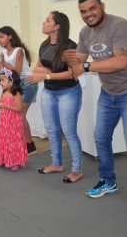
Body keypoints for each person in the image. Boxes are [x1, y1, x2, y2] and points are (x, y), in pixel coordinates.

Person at [64, 0, 127, 215]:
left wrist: (84, 67)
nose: (88, 14)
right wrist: (69, 59)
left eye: (92, 9)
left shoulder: (120, 26)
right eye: (83, 11)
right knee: (101, 138)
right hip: (109, 91)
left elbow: (121, 62)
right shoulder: (85, 32)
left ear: (102, 6)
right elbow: (80, 61)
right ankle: (108, 181)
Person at [28, 11, 83, 183]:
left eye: (47, 20)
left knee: (69, 132)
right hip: (49, 92)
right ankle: (57, 164)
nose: (43, 23)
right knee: (52, 130)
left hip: (68, 92)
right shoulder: (44, 45)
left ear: (57, 26)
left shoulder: (70, 46)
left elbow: (73, 74)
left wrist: (47, 75)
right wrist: (47, 73)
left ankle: (77, 170)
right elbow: (37, 67)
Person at [0, 26, 38, 154]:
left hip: (26, 83)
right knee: (16, 116)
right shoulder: (4, 52)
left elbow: (18, 72)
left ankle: (30, 144)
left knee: (20, 115)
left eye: (1, 37)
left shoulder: (19, 51)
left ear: (10, 36)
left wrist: (4, 63)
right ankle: (22, 143)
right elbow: (0, 71)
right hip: (13, 85)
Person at [0, 68, 28, 172]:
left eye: (3, 80)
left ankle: (15, 161)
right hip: (4, 120)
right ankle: (2, 159)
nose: (0, 82)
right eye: (0, 80)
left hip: (13, 122)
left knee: (13, 141)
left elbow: (20, 109)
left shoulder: (15, 93)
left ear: (11, 82)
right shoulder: (3, 93)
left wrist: (5, 105)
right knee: (3, 139)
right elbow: (2, 105)